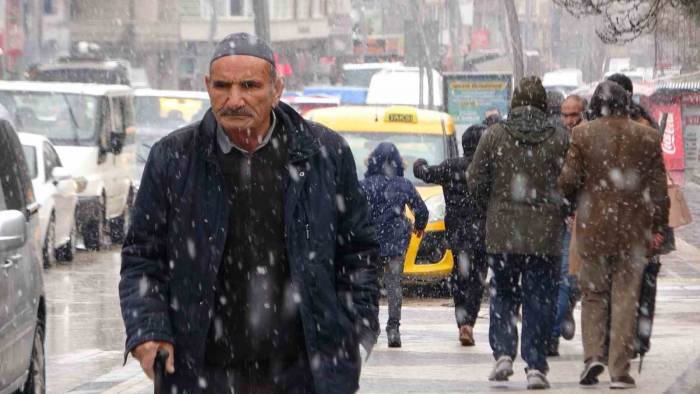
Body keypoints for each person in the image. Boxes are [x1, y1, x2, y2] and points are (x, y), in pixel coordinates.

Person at [119, 32, 380, 394]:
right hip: (201, 374)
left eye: (250, 86)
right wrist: (148, 331)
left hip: (305, 376)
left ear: (276, 89)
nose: (234, 99)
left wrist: (355, 335)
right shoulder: (172, 158)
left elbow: (359, 253)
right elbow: (142, 260)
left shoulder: (325, 155)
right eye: (222, 86)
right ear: (207, 86)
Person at [558, 81, 669, 390]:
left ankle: (593, 355)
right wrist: (658, 225)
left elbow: (567, 182)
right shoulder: (647, 137)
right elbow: (659, 190)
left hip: (593, 229)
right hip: (634, 232)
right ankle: (619, 370)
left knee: (593, 295)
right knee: (625, 298)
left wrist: (575, 194)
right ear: (625, 104)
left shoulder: (582, 134)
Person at [467, 76, 569, 390]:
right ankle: (536, 364)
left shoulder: (494, 135)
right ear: (542, 102)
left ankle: (503, 353)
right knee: (539, 297)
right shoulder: (560, 137)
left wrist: (493, 205)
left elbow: (475, 180)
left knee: (503, 292)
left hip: (502, 232)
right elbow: (570, 183)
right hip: (545, 235)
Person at [413, 124, 488, 347]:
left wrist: (419, 163)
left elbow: (424, 173)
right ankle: (469, 323)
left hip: (457, 232)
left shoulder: (451, 166)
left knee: (459, 275)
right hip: (482, 232)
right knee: (477, 278)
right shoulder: (488, 168)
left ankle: (462, 321)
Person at [360, 142, 428, 348]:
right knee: (394, 286)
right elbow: (422, 210)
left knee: (369, 285)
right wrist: (419, 226)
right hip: (395, 244)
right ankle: (393, 329)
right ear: (398, 162)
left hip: (370, 243)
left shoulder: (364, 185)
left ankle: (371, 327)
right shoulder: (404, 184)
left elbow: (352, 211)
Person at [548, 94, 587, 357]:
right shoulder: (556, 139)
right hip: (562, 220)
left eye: (574, 114)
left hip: (587, 219)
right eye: (565, 114)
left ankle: (565, 313)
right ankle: (553, 333)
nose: (569, 120)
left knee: (577, 281)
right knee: (566, 277)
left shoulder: (588, 137)